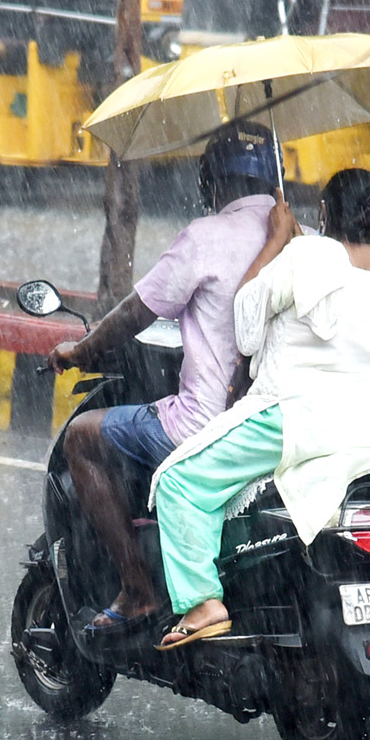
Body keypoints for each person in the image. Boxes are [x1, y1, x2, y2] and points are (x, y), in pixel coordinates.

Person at [149, 169, 370, 649]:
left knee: (179, 483)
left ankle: (203, 603)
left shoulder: (304, 256)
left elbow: (245, 325)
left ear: (324, 213)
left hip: (301, 421)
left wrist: (278, 240)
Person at [46, 122, 281, 634]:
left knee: (84, 438)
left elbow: (137, 312)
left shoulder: (205, 237)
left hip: (206, 426)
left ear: (212, 182)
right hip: (276, 421)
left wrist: (80, 350)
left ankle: (137, 590)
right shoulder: (301, 239)